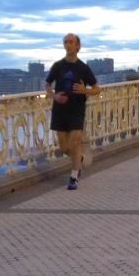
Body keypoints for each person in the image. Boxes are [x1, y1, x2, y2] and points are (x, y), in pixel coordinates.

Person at [45, 33, 100, 190]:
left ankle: (74, 177)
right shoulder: (57, 66)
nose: (68, 45)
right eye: (65, 42)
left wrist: (84, 90)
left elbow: (97, 89)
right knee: (64, 147)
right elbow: (47, 86)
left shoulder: (83, 68)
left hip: (77, 110)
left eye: (71, 42)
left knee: (74, 142)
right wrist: (55, 96)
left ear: (77, 46)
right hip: (60, 110)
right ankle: (79, 158)